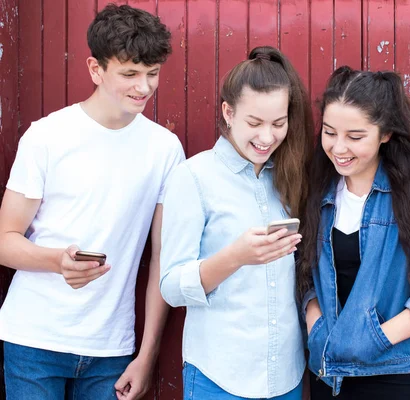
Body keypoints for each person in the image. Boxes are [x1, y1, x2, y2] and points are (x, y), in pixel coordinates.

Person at [0, 4, 184, 400]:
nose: (144, 87)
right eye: (130, 74)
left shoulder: (165, 149)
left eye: (152, 74)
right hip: (33, 340)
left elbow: (163, 258)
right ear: (95, 69)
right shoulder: (46, 137)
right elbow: (4, 239)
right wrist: (56, 261)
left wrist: (147, 354)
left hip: (110, 349)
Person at [297, 66, 410, 399]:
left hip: (398, 375)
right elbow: (304, 273)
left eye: (356, 136)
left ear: (386, 134)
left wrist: (373, 339)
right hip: (328, 374)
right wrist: (316, 324)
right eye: (330, 132)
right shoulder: (318, 194)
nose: (338, 147)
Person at [159, 46, 314, 400]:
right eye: (254, 123)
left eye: (278, 124)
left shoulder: (292, 177)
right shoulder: (194, 177)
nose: (266, 137)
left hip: (286, 376)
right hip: (219, 376)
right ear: (228, 113)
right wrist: (237, 256)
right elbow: (170, 286)